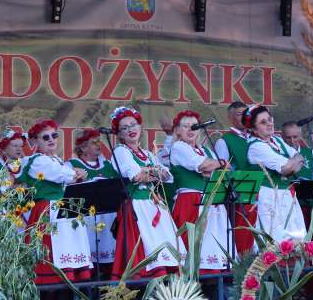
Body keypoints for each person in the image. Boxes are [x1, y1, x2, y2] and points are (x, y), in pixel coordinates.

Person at [108, 107, 185, 279]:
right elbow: (136, 176)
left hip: (154, 205)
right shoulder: (121, 151)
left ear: (140, 127)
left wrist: (149, 171)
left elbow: (167, 176)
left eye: (133, 125)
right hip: (137, 206)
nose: (130, 129)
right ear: (119, 134)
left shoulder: (148, 154)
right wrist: (153, 171)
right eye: (124, 128)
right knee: (148, 249)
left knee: (165, 248)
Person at [22, 119, 92, 284]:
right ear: (35, 141)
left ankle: (68, 294)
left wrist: (76, 174)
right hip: (48, 210)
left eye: (54, 135)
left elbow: (68, 176)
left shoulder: (57, 160)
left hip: (63, 208)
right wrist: (76, 173)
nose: (51, 139)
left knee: (69, 249)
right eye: (45, 137)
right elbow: (61, 174)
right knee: (54, 254)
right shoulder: (38, 161)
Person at [169, 109, 230, 273]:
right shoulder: (179, 147)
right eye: (185, 126)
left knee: (215, 243)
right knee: (193, 246)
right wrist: (218, 163)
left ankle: (216, 277)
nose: (191, 129)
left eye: (194, 126)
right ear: (177, 130)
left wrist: (214, 165)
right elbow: (203, 165)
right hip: (191, 202)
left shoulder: (207, 151)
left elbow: (215, 169)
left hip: (211, 201)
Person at [244, 105, 308, 240]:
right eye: (263, 122)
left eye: (269, 119)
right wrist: (292, 164)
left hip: (286, 195)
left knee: (295, 237)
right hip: (268, 197)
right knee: (275, 238)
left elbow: (300, 158)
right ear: (254, 129)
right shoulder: (256, 147)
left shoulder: (277, 140)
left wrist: (292, 164)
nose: (269, 124)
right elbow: (286, 168)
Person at [69, 128, 118, 268]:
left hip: (109, 216)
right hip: (87, 218)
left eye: (99, 141)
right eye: (94, 142)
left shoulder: (108, 165)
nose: (98, 144)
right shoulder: (72, 165)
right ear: (83, 147)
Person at [215, 101, 257, 254]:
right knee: (244, 241)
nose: (245, 117)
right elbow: (222, 173)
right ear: (230, 118)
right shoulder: (224, 141)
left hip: (263, 196)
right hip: (241, 199)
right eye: (240, 114)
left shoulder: (256, 139)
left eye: (247, 114)